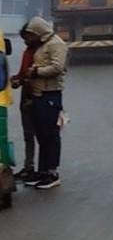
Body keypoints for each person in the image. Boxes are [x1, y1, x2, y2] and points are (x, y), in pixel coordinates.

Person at [21, 16, 68, 191]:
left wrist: (37, 72)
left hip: (50, 94)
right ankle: (42, 171)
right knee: (41, 134)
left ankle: (52, 172)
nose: (30, 39)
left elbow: (58, 67)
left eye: (31, 35)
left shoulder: (56, 44)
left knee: (50, 135)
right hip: (39, 94)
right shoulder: (43, 44)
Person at [9, 24, 37, 183]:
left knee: (39, 134)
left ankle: (42, 169)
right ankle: (29, 166)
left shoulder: (40, 52)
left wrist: (22, 80)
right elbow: (23, 73)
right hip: (26, 94)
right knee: (28, 134)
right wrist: (17, 79)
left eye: (27, 38)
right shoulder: (28, 51)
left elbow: (34, 74)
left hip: (34, 97)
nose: (26, 41)